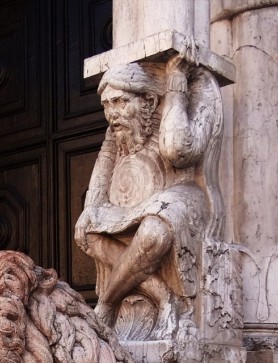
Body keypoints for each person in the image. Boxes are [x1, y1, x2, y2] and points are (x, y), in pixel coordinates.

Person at [74, 54, 223, 339]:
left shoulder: (170, 104)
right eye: (107, 105)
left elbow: (179, 150)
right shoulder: (116, 130)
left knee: (154, 231)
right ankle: (163, 295)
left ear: (149, 101)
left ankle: (106, 303)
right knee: (89, 233)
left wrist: (176, 85)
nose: (112, 113)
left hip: (181, 196)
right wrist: (90, 208)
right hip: (133, 204)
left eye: (120, 102)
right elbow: (103, 166)